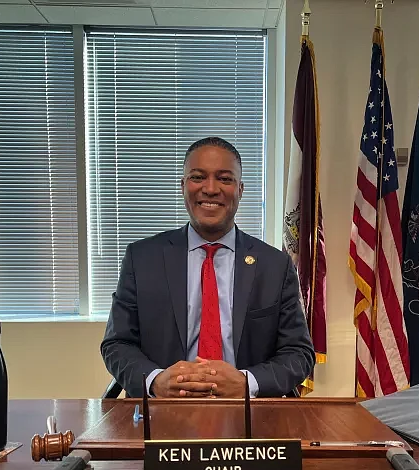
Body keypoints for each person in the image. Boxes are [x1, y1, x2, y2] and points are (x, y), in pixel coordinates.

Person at [101, 136, 315, 398]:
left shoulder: (275, 266)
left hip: (249, 416)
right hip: (164, 414)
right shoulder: (142, 258)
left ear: (240, 189)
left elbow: (299, 354)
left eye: (225, 179)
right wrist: (155, 382)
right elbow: (117, 343)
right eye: (198, 177)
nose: (211, 189)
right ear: (183, 186)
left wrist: (247, 383)